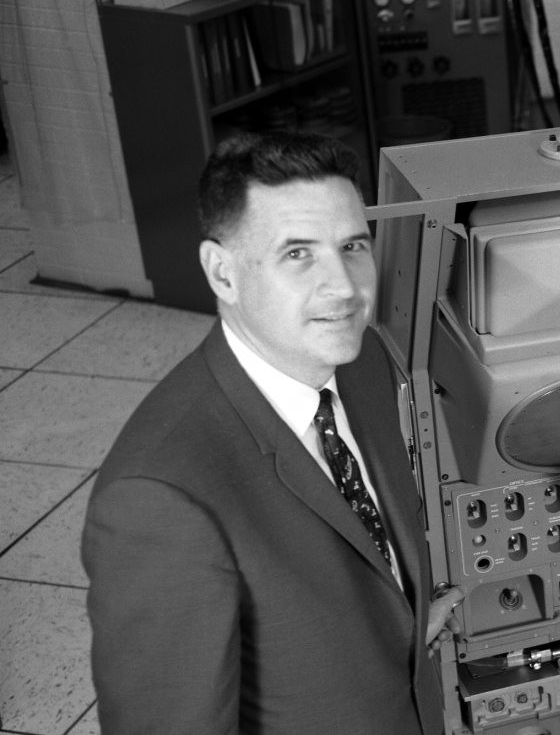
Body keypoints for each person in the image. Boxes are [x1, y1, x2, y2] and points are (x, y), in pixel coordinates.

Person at [82, 132, 463, 734]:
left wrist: (405, 618)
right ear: (223, 273)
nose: (344, 287)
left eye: (353, 245)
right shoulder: (157, 500)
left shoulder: (361, 363)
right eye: (298, 254)